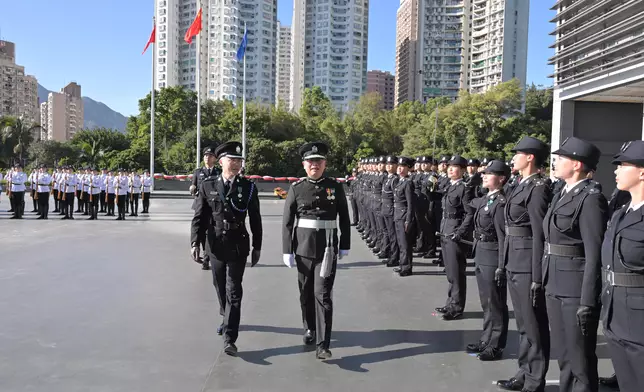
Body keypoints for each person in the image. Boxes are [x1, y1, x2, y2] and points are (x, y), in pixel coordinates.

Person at [545, 137, 608, 392]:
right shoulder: (561, 192)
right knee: (563, 354)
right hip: (555, 283)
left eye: (561, 158)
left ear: (578, 165)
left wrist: (588, 300)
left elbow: (594, 253)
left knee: (579, 358)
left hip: (574, 289)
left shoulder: (591, 198)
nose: (556, 162)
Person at [191, 141, 262, 356]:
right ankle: (225, 314)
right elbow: (199, 217)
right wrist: (195, 242)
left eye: (239, 160)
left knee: (234, 290)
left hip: (238, 243)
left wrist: (257, 246)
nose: (236, 163)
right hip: (215, 244)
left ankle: (230, 337)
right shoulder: (207, 186)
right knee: (219, 284)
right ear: (221, 161)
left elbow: (256, 219)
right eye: (232, 159)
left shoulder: (248, 187)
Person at [282, 141, 350, 360]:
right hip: (302, 248)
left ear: (325, 164)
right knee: (305, 293)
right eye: (311, 162)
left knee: (323, 295)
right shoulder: (296, 188)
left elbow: (345, 218)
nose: (315, 165)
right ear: (304, 165)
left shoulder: (335, 187)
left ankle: (323, 344)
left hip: (327, 248)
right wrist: (287, 250)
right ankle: (309, 327)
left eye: (319, 161)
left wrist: (345, 244)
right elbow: (287, 222)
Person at [497, 136, 551, 392]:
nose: (513, 157)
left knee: (534, 325)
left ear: (530, 157)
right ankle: (523, 371)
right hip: (513, 260)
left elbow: (540, 234)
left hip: (528, 263)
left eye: (518, 153)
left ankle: (535, 378)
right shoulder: (520, 184)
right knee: (523, 324)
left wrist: (537, 276)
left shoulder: (538, 188)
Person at [599, 140, 644, 392]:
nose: (615, 170)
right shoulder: (621, 213)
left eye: (623, 165)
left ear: (642, 172)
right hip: (615, 316)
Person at [464, 160, 510, 361]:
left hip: (493, 255)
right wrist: (471, 180)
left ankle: (496, 345)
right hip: (481, 252)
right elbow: (468, 202)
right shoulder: (486, 199)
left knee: (496, 303)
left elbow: (503, 237)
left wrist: (501, 264)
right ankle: (486, 339)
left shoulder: (500, 203)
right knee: (486, 303)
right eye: (483, 173)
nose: (483, 176)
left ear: (501, 179)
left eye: (488, 174)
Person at [435, 155, 474, 320]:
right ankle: (451, 302)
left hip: (454, 232)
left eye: (455, 167)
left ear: (463, 170)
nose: (450, 169)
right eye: (449, 166)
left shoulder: (464, 188)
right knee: (450, 271)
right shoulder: (449, 186)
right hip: (445, 229)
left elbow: (469, 213)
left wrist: (459, 232)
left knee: (457, 272)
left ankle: (457, 307)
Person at [190, 146, 220, 270]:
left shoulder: (218, 172)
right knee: (200, 231)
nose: (207, 157)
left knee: (210, 232)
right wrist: (192, 188)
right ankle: (202, 250)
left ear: (215, 158)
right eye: (205, 155)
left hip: (213, 206)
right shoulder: (198, 172)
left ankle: (207, 258)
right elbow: (193, 186)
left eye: (210, 155)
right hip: (200, 205)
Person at [392, 156, 416, 276]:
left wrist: (408, 220)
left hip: (403, 216)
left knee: (405, 244)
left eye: (403, 167)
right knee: (401, 243)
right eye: (399, 166)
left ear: (408, 169)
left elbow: (410, 204)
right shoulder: (398, 181)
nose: (400, 169)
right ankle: (402, 264)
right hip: (397, 215)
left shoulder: (408, 183)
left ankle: (407, 267)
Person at [381, 156, 400, 267]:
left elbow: (395, 197)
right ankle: (390, 254)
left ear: (396, 166)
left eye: (391, 164)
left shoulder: (395, 179)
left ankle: (394, 258)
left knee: (393, 236)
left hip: (391, 210)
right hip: (385, 209)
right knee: (388, 233)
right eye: (387, 164)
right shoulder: (387, 178)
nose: (388, 166)